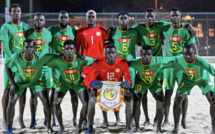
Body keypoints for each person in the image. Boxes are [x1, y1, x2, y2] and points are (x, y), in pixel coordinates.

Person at [158, 44, 215, 133]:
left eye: (190, 54)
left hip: (203, 79)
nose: (187, 56)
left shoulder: (201, 61)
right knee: (178, 99)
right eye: (185, 54)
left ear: (194, 53)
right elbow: (165, 62)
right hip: (188, 80)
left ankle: (214, 129)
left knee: (213, 100)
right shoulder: (180, 59)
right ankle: (176, 127)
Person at [5, 39, 54, 134]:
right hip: (20, 81)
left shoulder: (41, 56)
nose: (29, 49)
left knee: (45, 100)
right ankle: (9, 128)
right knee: (11, 101)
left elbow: (56, 56)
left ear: (34, 48)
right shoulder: (16, 56)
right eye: (27, 47)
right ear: (23, 48)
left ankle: (48, 127)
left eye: (31, 47)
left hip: (35, 81)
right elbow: (7, 67)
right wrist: (13, 84)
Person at [45, 40, 94, 134]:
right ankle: (61, 127)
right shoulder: (58, 60)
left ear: (75, 50)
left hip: (77, 83)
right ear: (63, 50)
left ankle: (79, 126)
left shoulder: (81, 59)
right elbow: (45, 61)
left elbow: (94, 61)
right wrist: (55, 54)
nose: (69, 51)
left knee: (85, 103)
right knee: (56, 103)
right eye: (67, 49)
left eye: (71, 49)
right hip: (63, 83)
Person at [161, 7, 198, 127]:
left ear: (180, 16)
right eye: (173, 15)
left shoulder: (186, 30)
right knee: (168, 92)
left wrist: (195, 62)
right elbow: (154, 30)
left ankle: (183, 121)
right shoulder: (166, 28)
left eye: (177, 15)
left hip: (182, 65)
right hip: (169, 65)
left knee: (183, 93)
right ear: (170, 17)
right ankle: (166, 120)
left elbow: (193, 46)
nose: (175, 17)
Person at [86, 44, 133, 134]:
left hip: (117, 88)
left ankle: (128, 127)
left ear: (116, 53)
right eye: (108, 53)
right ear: (105, 54)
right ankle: (90, 127)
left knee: (129, 99)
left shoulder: (122, 62)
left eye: (113, 53)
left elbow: (128, 80)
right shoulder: (98, 62)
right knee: (91, 100)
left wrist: (127, 84)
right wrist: (94, 83)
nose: (111, 55)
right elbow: (90, 81)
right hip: (101, 88)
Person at [106, 11, 139, 126]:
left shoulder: (134, 32)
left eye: (125, 18)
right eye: (121, 18)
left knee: (132, 92)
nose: (123, 20)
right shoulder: (113, 32)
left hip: (130, 67)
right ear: (118, 20)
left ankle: (133, 118)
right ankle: (118, 118)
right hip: (116, 67)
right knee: (116, 94)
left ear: (128, 20)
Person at [0, 3, 28, 129]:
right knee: (7, 90)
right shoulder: (5, 27)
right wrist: (13, 63)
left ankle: (20, 118)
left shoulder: (25, 26)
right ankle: (5, 120)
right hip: (10, 65)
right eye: (14, 12)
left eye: (19, 11)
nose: (17, 13)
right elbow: (6, 48)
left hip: (23, 64)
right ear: (10, 14)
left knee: (23, 91)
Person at [48, 10, 77, 127]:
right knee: (54, 92)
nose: (63, 19)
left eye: (65, 17)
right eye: (61, 17)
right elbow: (43, 40)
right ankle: (53, 117)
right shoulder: (52, 30)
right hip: (57, 66)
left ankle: (75, 118)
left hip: (70, 65)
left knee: (73, 93)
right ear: (58, 18)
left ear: (68, 18)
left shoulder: (73, 31)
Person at [25, 13, 53, 128]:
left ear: (44, 22)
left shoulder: (49, 34)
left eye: (41, 20)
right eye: (36, 20)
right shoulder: (28, 33)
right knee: (33, 95)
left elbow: (52, 48)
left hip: (47, 68)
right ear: (33, 21)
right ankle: (33, 119)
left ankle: (47, 119)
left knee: (46, 95)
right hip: (34, 68)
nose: (38, 22)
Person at [129, 45, 164, 133]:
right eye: (144, 55)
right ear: (140, 54)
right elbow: (123, 63)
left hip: (154, 82)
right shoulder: (135, 62)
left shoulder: (158, 61)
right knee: (136, 102)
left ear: (152, 54)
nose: (146, 57)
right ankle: (137, 127)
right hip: (141, 82)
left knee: (161, 100)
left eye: (149, 54)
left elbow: (173, 60)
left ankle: (159, 127)